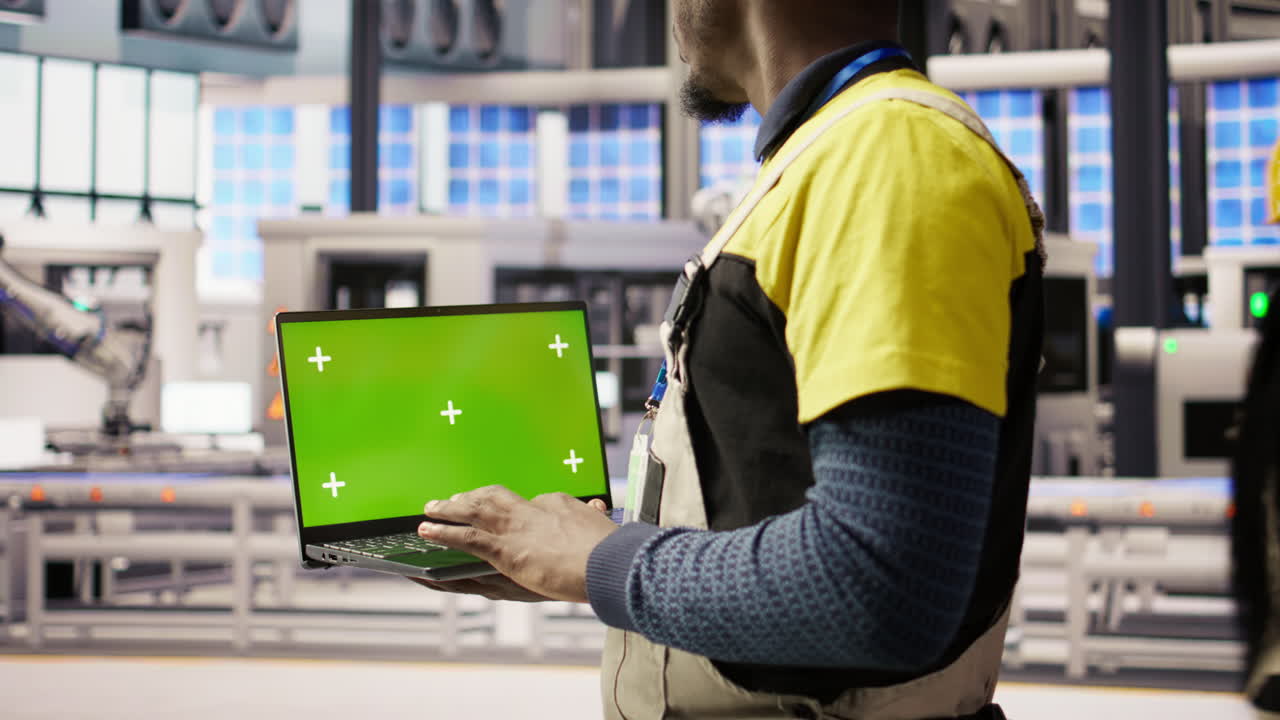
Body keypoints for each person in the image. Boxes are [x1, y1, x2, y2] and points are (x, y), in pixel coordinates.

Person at [411, 1, 1044, 717]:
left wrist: (601, 561)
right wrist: (564, 552)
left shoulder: (886, 156)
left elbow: (883, 586)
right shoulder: (834, 155)